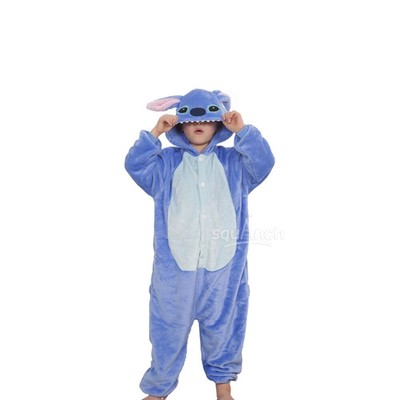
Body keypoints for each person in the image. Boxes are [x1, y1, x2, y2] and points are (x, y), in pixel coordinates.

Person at [125, 89, 275, 400]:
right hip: (174, 269)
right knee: (167, 327)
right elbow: (135, 165)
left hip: (224, 267)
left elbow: (263, 163)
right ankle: (159, 388)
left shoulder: (234, 163)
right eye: (192, 120)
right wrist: (155, 132)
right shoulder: (166, 164)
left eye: (207, 119)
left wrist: (243, 131)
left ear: (218, 123)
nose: (199, 125)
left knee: (224, 326)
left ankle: (223, 386)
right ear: (180, 124)